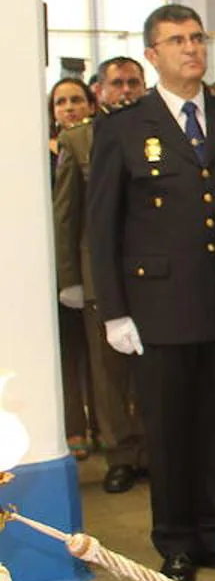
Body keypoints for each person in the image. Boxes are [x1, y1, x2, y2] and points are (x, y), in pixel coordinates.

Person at [89, 3, 215, 581]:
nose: (191, 49)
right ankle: (175, 541)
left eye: (197, 38)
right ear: (153, 55)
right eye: (176, 41)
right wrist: (114, 311)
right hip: (158, 309)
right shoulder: (124, 127)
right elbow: (101, 228)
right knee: (171, 430)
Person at [53, 59, 148, 491]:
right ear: (100, 91)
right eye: (117, 84)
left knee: (152, 369)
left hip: (154, 274)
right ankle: (122, 453)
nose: (125, 90)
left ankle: (153, 448)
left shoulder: (157, 129)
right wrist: (70, 277)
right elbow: (66, 214)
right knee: (108, 371)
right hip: (100, 273)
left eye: (133, 82)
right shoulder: (78, 139)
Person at [49, 78, 97, 461]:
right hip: (55, 269)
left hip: (90, 267)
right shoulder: (43, 151)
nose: (69, 108)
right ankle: (74, 426)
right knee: (67, 353)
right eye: (61, 102)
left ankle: (101, 424)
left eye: (76, 100)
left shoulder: (93, 143)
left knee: (97, 355)